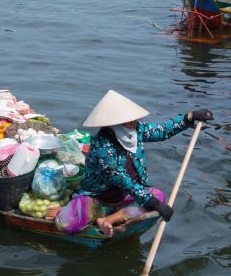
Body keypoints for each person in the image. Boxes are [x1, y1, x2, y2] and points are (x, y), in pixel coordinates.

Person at [46, 90, 213, 236]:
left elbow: (162, 131)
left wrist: (189, 118)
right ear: (113, 124)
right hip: (97, 199)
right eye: (129, 121)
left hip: (124, 198)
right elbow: (123, 180)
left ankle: (108, 220)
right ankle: (72, 210)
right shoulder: (103, 147)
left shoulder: (136, 131)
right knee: (66, 225)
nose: (135, 123)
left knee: (159, 196)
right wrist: (153, 204)